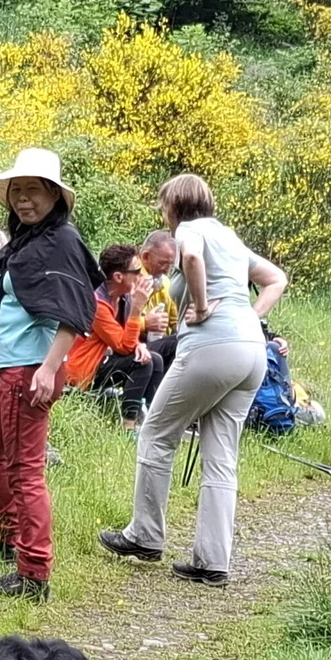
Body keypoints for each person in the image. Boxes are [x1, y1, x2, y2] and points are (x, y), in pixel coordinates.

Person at [100, 173, 287, 587]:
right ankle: (212, 561)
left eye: (164, 205)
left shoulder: (190, 229)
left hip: (210, 348)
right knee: (221, 456)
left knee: (156, 433)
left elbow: (193, 260)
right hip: (252, 351)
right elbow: (276, 279)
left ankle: (144, 536)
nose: (163, 213)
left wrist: (201, 308)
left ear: (175, 205)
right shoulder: (231, 237)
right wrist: (248, 318)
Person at [0, 149, 100, 602]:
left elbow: (75, 311)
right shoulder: (28, 241)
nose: (23, 201)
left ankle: (33, 573)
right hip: (12, 367)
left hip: (32, 369)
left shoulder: (60, 240)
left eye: (33, 191)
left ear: (54, 195)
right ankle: (10, 538)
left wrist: (49, 367)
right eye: (17, 192)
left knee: (26, 470)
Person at [63, 242, 154, 429]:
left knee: (155, 359)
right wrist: (137, 310)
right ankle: (128, 425)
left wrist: (139, 344)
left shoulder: (123, 298)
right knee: (142, 363)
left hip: (105, 358)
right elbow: (123, 345)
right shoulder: (98, 304)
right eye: (137, 272)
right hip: (84, 371)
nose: (141, 276)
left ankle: (151, 419)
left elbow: (126, 336)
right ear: (119, 276)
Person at [135, 230, 181, 405]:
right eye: (162, 263)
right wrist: (145, 323)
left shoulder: (166, 284)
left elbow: (175, 323)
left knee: (184, 342)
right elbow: (118, 321)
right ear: (146, 256)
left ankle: (168, 402)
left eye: (170, 264)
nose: (166, 269)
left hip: (156, 342)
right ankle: (156, 404)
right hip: (130, 343)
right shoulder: (133, 276)